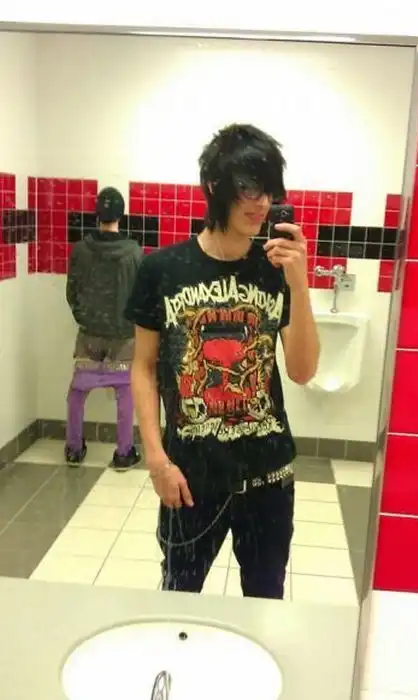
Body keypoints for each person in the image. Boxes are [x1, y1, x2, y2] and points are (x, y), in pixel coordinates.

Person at [125, 124, 320, 598]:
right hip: (189, 477)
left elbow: (302, 371)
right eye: (249, 187)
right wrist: (156, 459)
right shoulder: (162, 270)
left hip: (268, 478)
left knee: (265, 601)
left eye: (269, 189)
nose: (261, 202)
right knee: (179, 598)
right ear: (214, 186)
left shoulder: (275, 271)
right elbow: (144, 367)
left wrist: (299, 283)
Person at [65, 186, 142, 470]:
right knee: (125, 391)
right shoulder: (134, 253)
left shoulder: (81, 250)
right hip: (123, 337)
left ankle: (74, 449)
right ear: (121, 215)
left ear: (96, 214)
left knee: (78, 389)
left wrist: (84, 318)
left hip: (89, 334)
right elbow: (141, 297)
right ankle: (123, 452)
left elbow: (71, 292)